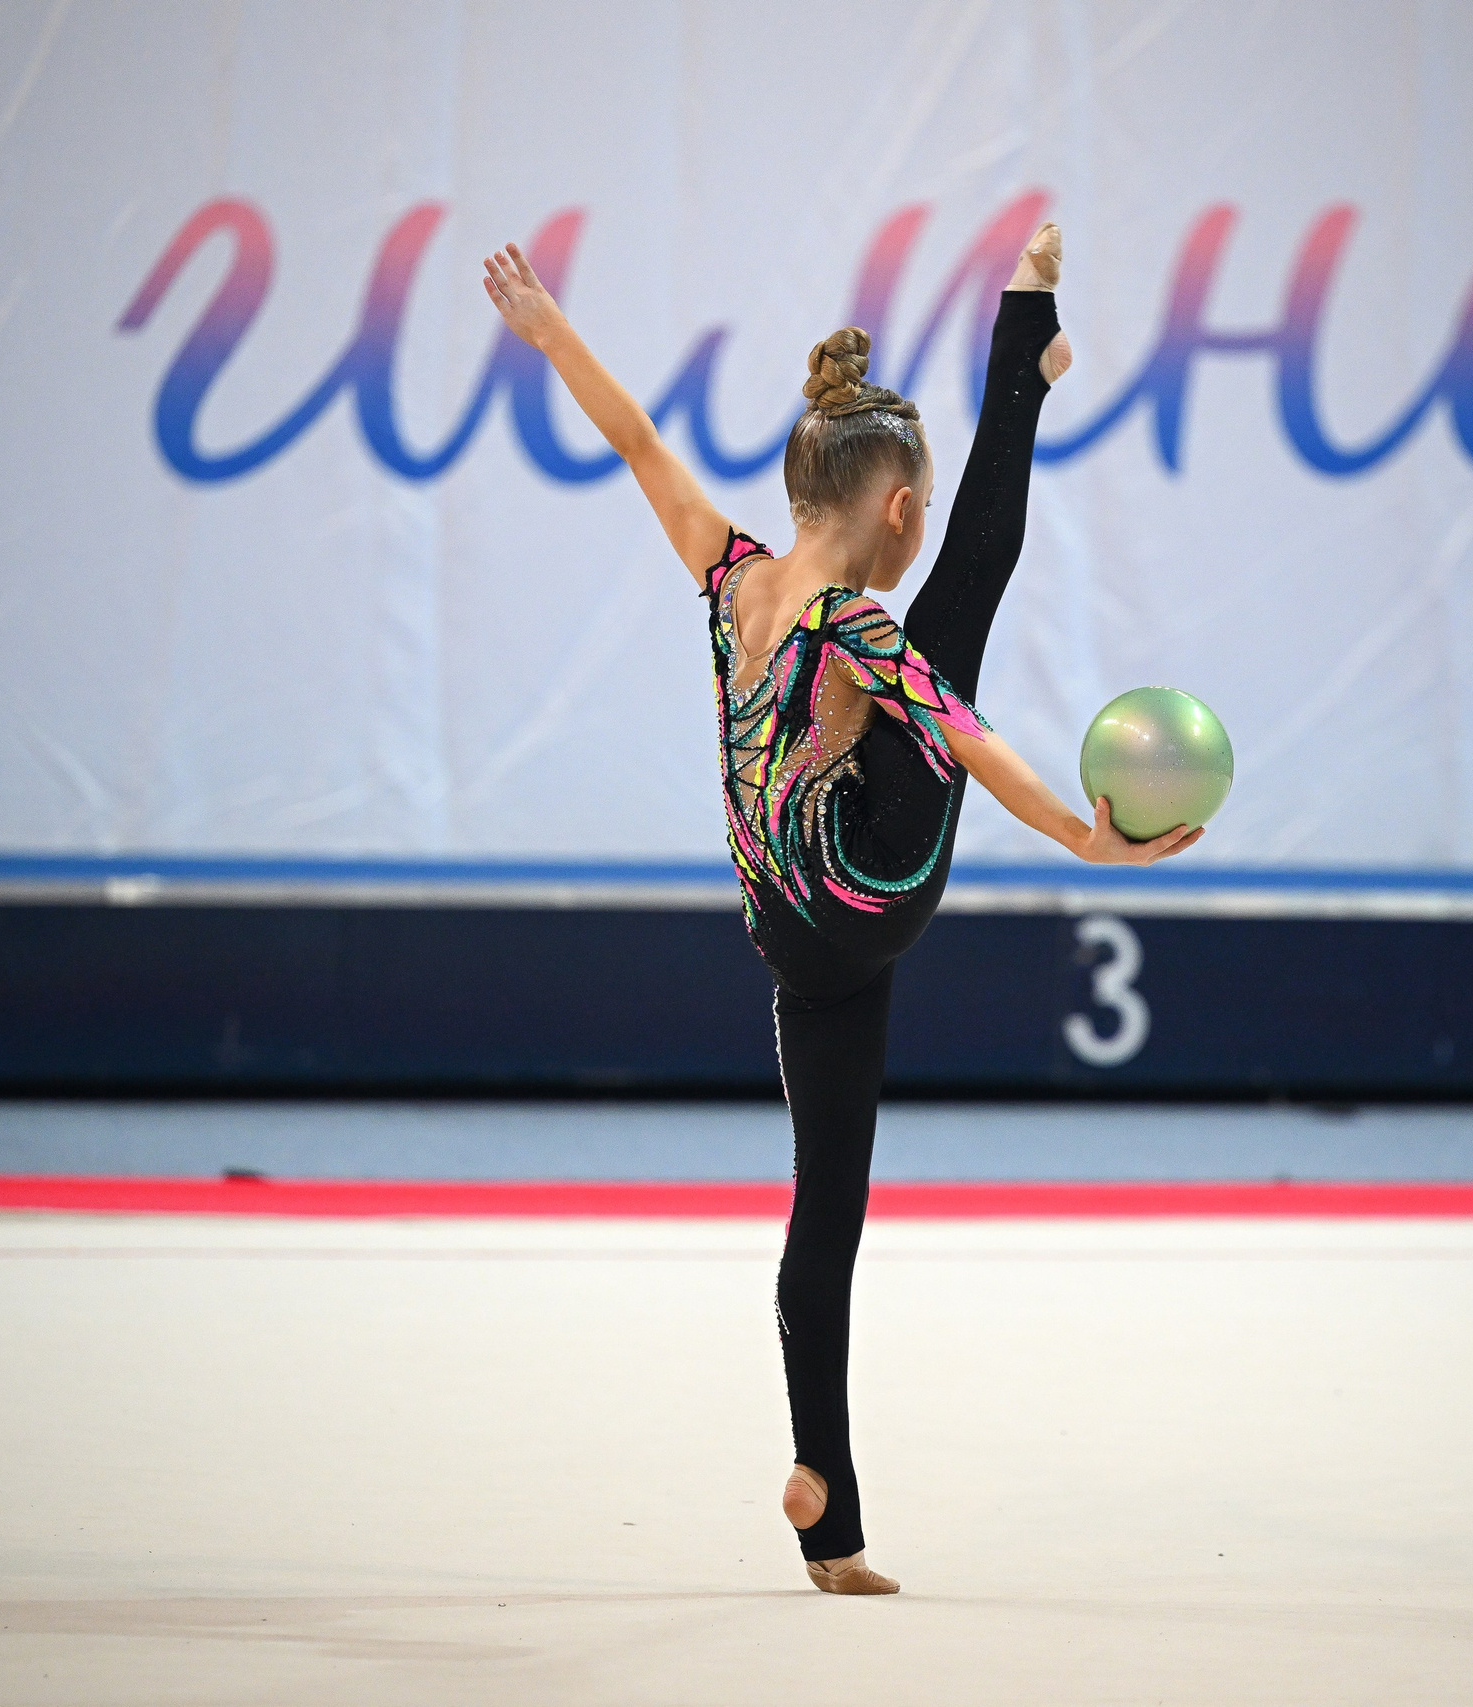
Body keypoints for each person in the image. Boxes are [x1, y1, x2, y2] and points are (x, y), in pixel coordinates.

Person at [482, 222, 1200, 1595]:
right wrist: (1088, 845)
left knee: (827, 1214)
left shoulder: (729, 577)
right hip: (870, 883)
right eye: (921, 508)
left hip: (801, 949)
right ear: (894, 509)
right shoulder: (863, 633)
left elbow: (639, 443)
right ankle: (1022, 354)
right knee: (964, 616)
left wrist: (547, 330)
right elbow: (969, 741)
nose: (922, 529)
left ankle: (829, 1514)